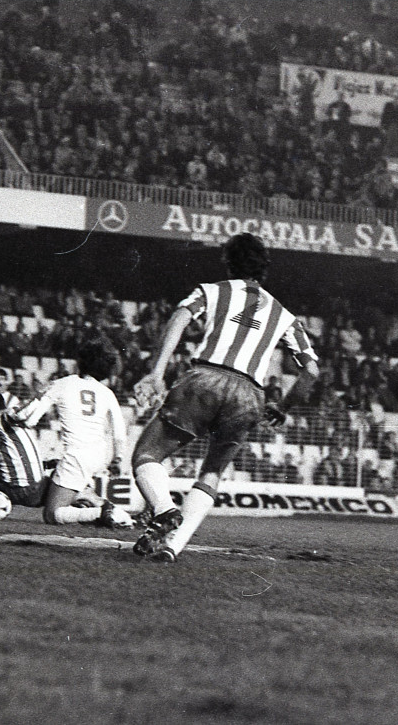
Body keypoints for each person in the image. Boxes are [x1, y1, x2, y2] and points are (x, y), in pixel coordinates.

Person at [130, 233, 320, 562]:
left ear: (229, 263)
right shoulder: (284, 315)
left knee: (147, 454)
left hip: (205, 379)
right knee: (212, 472)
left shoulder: (211, 291)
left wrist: (157, 372)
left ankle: (164, 511)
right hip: (249, 395)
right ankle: (172, 546)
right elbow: (312, 371)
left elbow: (179, 318)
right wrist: (283, 406)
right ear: (264, 268)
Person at [0, 390, 128, 528]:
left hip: (14, 491)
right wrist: (41, 395)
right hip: (33, 489)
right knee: (71, 480)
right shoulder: (5, 419)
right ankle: (110, 510)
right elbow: (20, 414)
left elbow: (13, 459)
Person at [16, 335, 134, 527]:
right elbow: (119, 433)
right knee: (59, 480)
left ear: (80, 361)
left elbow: (31, 418)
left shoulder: (62, 383)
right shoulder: (107, 393)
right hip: (99, 455)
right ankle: (101, 506)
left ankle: (102, 513)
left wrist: (15, 417)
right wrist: (118, 458)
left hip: (77, 455)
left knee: (52, 514)